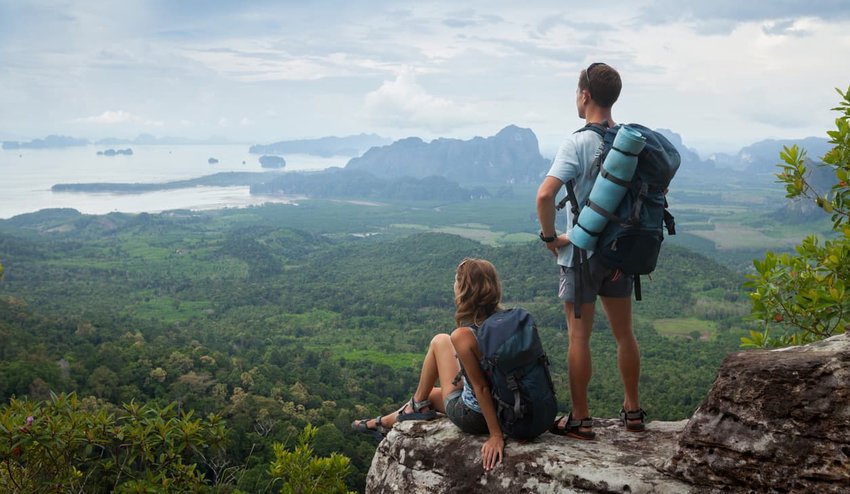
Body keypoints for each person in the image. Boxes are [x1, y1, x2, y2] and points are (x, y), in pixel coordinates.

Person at [535, 62, 646, 440]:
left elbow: (545, 194)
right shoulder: (629, 143)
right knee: (624, 335)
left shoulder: (577, 142)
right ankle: (633, 410)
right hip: (620, 254)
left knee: (578, 339)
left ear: (585, 95)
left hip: (579, 257)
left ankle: (580, 418)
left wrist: (550, 238)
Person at [350, 258, 505, 471]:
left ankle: (406, 409)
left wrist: (496, 435)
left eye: (456, 281)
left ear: (465, 290)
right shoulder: (506, 321)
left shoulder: (464, 334)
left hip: (477, 417)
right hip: (508, 407)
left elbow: (482, 388)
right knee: (431, 394)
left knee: (440, 340)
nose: (454, 286)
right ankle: (387, 421)